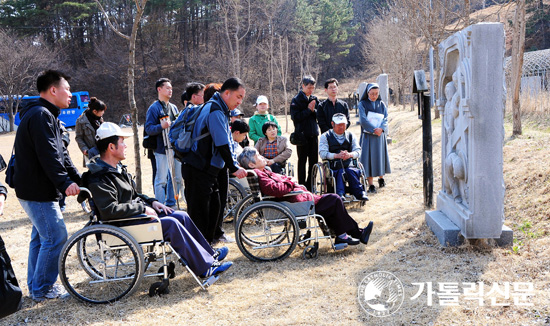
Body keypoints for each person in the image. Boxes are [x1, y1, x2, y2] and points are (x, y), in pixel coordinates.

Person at [83, 122, 232, 279]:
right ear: (111, 147)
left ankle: (209, 255)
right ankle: (205, 268)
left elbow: (134, 195)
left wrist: (152, 202)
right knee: (171, 224)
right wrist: (141, 209)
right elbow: (109, 211)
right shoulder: (98, 177)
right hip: (122, 224)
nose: (125, 146)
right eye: (122, 142)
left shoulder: (116, 169)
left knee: (181, 216)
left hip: (133, 218)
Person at [13, 70, 81, 302]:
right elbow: (49, 156)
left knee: (42, 238)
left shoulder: (47, 115)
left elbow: (62, 155)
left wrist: (77, 180)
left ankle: (35, 286)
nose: (71, 94)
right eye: (68, 89)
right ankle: (42, 288)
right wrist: (65, 183)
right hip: (36, 190)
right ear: (53, 90)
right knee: (55, 237)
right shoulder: (41, 115)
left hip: (36, 188)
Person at [238, 147, 373, 246]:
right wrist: (291, 181)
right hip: (296, 203)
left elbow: (280, 182)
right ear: (251, 164)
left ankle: (343, 235)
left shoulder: (263, 171)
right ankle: (356, 233)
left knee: (331, 203)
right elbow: (276, 189)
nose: (262, 157)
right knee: (335, 199)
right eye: (258, 157)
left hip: (297, 199)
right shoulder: (260, 174)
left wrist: (290, 181)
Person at [182, 77, 247, 244]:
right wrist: (234, 167)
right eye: (238, 97)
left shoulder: (218, 107)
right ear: (226, 93)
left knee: (213, 208)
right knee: (201, 215)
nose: (240, 101)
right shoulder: (216, 110)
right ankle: (198, 255)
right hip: (198, 169)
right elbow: (222, 143)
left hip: (206, 170)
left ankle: (207, 248)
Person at [145, 78, 183, 207]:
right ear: (159, 89)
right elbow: (148, 129)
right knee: (161, 180)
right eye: (167, 88)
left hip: (174, 148)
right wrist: (162, 126)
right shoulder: (154, 108)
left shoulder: (173, 107)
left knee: (176, 178)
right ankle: (160, 206)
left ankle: (171, 204)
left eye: (171, 88)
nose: (170, 90)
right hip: (161, 149)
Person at [319, 113, 368, 201]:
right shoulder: (325, 136)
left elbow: (358, 151)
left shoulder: (351, 135)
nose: (341, 127)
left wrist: (350, 154)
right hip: (333, 165)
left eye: (343, 125)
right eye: (339, 125)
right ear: (332, 124)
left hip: (348, 164)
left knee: (351, 170)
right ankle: (340, 194)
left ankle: (360, 193)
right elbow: (323, 153)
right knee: (340, 171)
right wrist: (336, 156)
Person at [358, 83, 391, 193]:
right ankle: (371, 184)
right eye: (372, 94)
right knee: (368, 159)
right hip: (368, 136)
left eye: (376, 94)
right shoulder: (362, 104)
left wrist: (381, 129)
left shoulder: (381, 104)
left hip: (379, 136)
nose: (374, 96)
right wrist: (373, 129)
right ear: (367, 93)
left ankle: (381, 178)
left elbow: (385, 118)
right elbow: (363, 120)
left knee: (380, 157)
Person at [290, 75, 319, 190]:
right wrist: (308, 110)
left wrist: (313, 110)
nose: (311, 90)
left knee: (314, 161)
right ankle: (301, 185)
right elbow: (295, 117)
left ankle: (311, 184)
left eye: (313, 88)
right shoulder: (296, 100)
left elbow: (319, 115)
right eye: (309, 87)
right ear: (303, 86)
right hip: (301, 136)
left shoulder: (314, 99)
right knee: (302, 161)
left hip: (313, 134)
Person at [75, 97, 106, 166]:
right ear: (95, 111)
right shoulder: (81, 121)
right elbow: (78, 137)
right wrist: (84, 149)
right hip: (91, 153)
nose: (103, 112)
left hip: (104, 151)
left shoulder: (99, 119)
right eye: (102, 110)